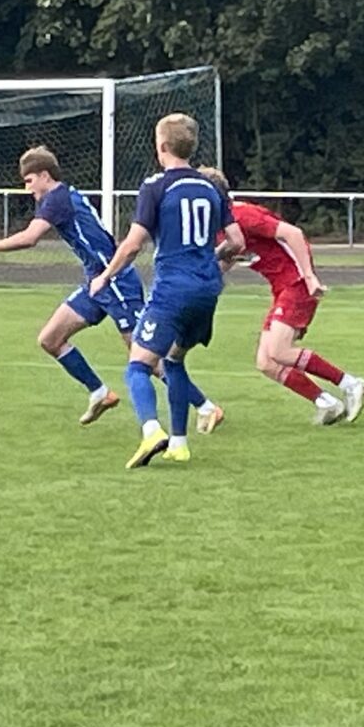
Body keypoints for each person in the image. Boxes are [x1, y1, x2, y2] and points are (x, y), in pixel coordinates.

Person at [0, 146, 220, 431]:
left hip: (116, 281)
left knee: (145, 358)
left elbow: (30, 238)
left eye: (29, 180)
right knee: (51, 339)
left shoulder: (56, 198)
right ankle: (100, 393)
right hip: (97, 282)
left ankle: (205, 406)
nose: (27, 188)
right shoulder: (58, 197)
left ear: (45, 175)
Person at [92, 113, 242, 469]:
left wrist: (105, 276)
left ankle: (150, 431)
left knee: (137, 366)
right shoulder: (212, 187)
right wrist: (209, 258)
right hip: (208, 290)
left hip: (173, 290)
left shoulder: (155, 186)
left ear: (161, 146)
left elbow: (133, 245)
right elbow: (237, 241)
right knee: (173, 361)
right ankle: (179, 444)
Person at [205, 168, 364, 426]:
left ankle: (350, 383)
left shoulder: (243, 215)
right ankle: (327, 403)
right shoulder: (221, 227)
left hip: (296, 283)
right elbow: (228, 260)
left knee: (279, 351)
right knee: (266, 362)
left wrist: (309, 276)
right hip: (281, 288)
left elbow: (293, 234)